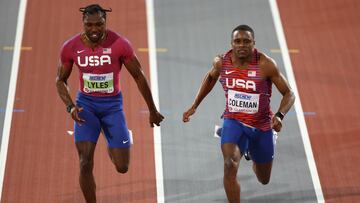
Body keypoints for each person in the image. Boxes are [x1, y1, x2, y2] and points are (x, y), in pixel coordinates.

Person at [55, 4, 164, 203]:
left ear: (106, 22)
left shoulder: (120, 44)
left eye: (99, 24)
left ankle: (111, 135)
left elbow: (139, 77)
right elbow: (60, 80)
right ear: (83, 23)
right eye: (89, 25)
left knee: (122, 167)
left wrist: (152, 110)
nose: (94, 29)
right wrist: (70, 106)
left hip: (112, 107)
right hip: (85, 107)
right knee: (85, 162)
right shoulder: (71, 47)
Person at [183, 25, 295, 202]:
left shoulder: (265, 65)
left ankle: (253, 148)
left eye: (246, 41)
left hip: (261, 126)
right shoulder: (221, 62)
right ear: (231, 43)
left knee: (263, 179)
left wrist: (279, 116)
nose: (242, 45)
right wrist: (195, 105)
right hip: (234, 121)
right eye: (237, 41)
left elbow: (289, 93)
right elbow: (211, 77)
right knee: (229, 164)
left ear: (253, 43)